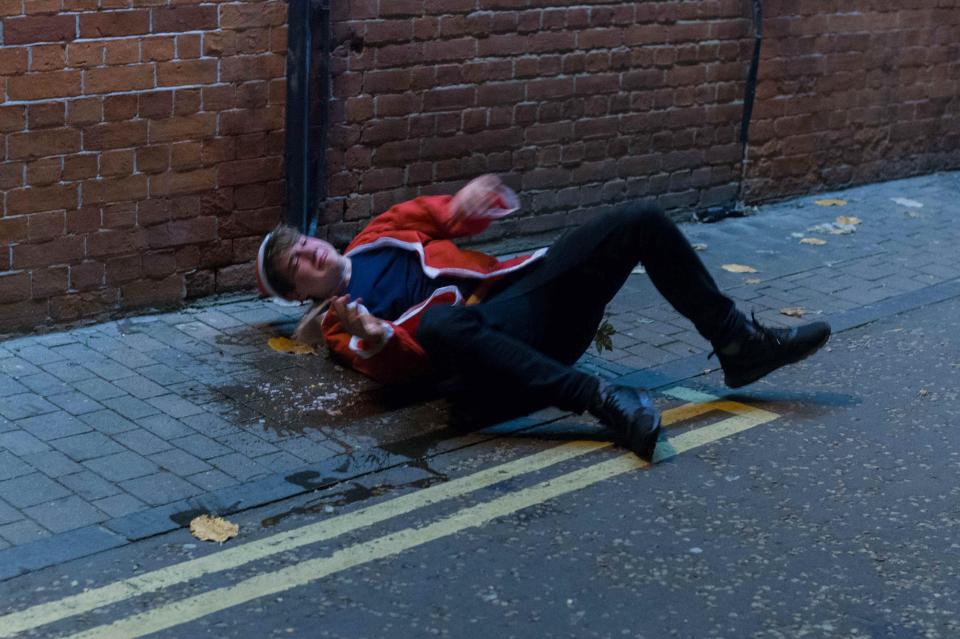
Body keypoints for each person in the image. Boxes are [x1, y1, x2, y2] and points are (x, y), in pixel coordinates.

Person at [255, 175, 831, 461]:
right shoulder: (338, 325)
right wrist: (379, 340)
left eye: (304, 243)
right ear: (300, 292)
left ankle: (737, 344)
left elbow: (442, 214)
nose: (312, 254)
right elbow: (401, 368)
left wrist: (466, 202)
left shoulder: (378, 234)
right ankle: (601, 401)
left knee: (639, 217)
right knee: (438, 325)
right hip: (487, 372)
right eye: (299, 267)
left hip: (530, 303)